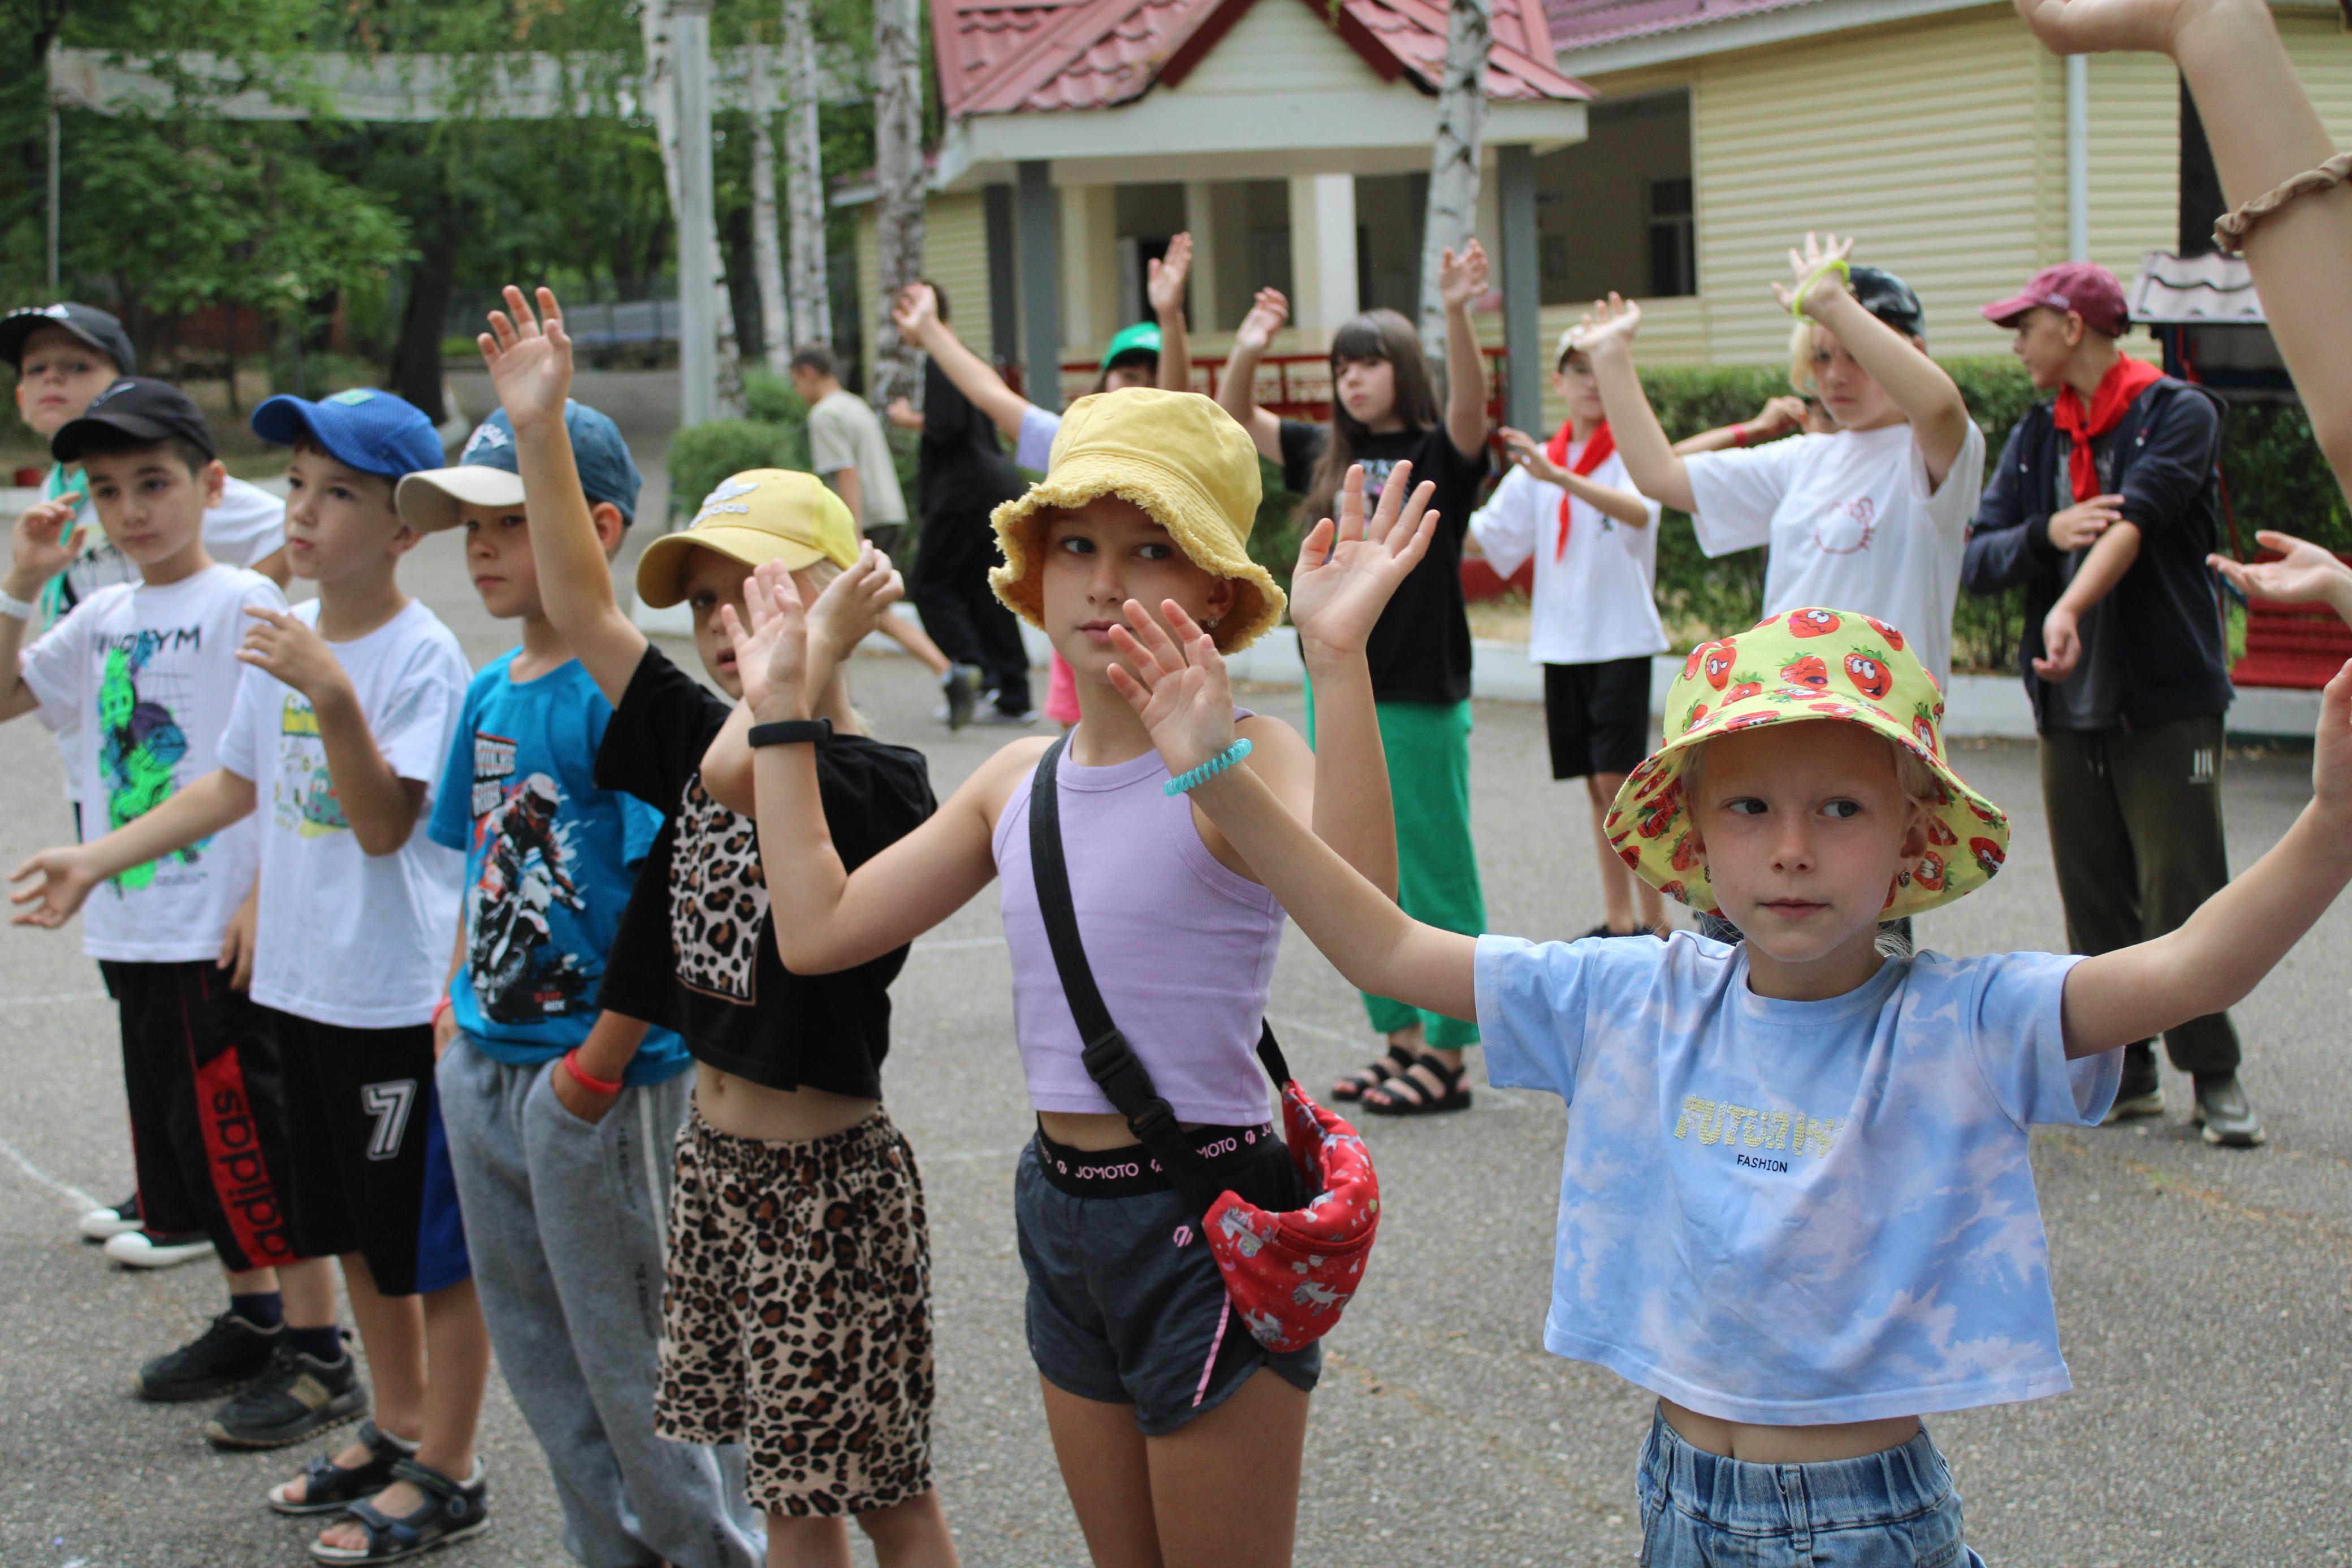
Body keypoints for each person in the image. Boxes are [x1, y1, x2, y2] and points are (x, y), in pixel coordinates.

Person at [1104, 592, 2352, 1567]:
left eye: (1842, 809)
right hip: (1678, 1490)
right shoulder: (1630, 995)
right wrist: (1219, 771)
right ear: (1694, 836)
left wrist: (2331, 825)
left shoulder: (1965, 1020)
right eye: (1750, 806)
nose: (1793, 848)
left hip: (1867, 1515)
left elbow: (2192, 967)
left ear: (1912, 836)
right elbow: (1385, 946)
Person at [740, 385, 1431, 1568]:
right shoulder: (1013, 780)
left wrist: (1338, 658)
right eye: (1076, 546)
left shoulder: (1243, 753)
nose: (1106, 583)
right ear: (1037, 570)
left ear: (1214, 591)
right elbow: (817, 928)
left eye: (1152, 548)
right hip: (1058, 1206)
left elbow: (1369, 913)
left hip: (1202, 1210)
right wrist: (779, 716)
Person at [478, 286, 950, 1567]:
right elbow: (586, 610)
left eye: (759, 593)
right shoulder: (706, 729)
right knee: (787, 1497)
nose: (727, 626)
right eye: (706, 607)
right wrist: (541, 429)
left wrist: (798, 665)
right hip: (719, 1173)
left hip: (823, 1194)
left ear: (840, 599)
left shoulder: (878, 784)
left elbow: (754, 768)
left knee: (884, 1498)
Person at [11, 385, 491, 1562]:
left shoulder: (416, 654)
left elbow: (382, 822)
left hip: (390, 1003)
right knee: (344, 1229)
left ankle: (451, 1464)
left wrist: (329, 692)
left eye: (341, 495)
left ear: (404, 528)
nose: (306, 513)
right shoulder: (287, 629)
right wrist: (95, 855)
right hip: (299, 990)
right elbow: (231, 787)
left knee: (420, 1247)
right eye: (300, 487)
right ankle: (395, 1422)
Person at [394, 399, 765, 1568]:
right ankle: (607, 1543)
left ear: (593, 526)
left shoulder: (619, 694)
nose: (483, 547)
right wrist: (456, 1006)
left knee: (641, 1343)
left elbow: (671, 890)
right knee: (542, 1344)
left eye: (510, 520)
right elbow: (479, 856)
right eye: (470, 527)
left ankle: (713, 1547)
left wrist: (597, 1065)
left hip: (603, 1080)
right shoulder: (490, 689)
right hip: (490, 1060)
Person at [0, 378, 301, 1430]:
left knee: (247, 1135)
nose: (132, 509)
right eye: (108, 489)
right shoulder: (102, 616)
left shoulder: (245, 603)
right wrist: (23, 580)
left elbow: (279, 764)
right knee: (187, 1142)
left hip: (217, 922)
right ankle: (253, 1315)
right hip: (134, 921)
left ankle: (312, 1345)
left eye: (155, 483)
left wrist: (262, 891)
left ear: (212, 486)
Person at [1962, 261, 2261, 1145]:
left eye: (2026, 327)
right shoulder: (2036, 434)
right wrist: (2045, 532)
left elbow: (2138, 519)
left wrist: (2068, 604)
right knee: (2093, 900)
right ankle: (2124, 1072)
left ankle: (2214, 1072)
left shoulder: (2178, 411)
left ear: (2072, 325)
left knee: (2184, 891)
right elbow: (1978, 556)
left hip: (2166, 696)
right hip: (2069, 704)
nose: (2016, 346)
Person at [1217, 248, 1495, 1117]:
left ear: (1402, 369)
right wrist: (1249, 346)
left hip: (1418, 692)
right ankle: (1400, 1039)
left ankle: (1448, 1053)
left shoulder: (1436, 453)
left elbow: (1471, 411)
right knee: (1357, 871)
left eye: (1369, 363)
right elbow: (1234, 418)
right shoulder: (1325, 452)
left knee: (1434, 869)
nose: (1353, 379)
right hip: (1338, 690)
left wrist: (1457, 311)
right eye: (1343, 367)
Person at [1583, 239, 1984, 695]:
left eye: (1855, 354)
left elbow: (1941, 409)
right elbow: (1660, 476)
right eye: (1821, 355)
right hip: (1782, 714)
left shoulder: (1932, 454)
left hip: (1883, 724)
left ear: (1915, 351)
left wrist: (1832, 304)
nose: (1834, 376)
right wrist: (1610, 357)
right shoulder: (1804, 457)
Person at [888, 235, 1198, 728]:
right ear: (1103, 382)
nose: (1139, 384)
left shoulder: (1173, 453)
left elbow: (1175, 405)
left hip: (1152, 650)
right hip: (1082, 650)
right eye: (1126, 374)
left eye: (1150, 374)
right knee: (1077, 751)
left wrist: (1170, 317)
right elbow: (988, 393)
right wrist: (930, 330)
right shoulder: (1072, 443)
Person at [1468, 327, 1667, 945]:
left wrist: (1558, 477)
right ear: (1558, 381)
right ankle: (1619, 920)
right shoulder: (1542, 460)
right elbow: (1485, 537)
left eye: (1598, 369)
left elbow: (1640, 511)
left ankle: (1658, 922)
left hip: (1620, 636)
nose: (1589, 382)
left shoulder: (1626, 451)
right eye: (1577, 370)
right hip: (1563, 640)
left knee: (1620, 782)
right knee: (1594, 785)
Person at [789, 341, 977, 729]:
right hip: (888, 512)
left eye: (796, 382)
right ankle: (944, 675)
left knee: (842, 608)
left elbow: (846, 473)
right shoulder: (854, 405)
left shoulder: (825, 414)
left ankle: (941, 675)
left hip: (860, 520)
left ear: (808, 373)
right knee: (868, 610)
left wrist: (853, 532)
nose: (797, 391)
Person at [880, 281, 1036, 724]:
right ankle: (1013, 694)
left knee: (929, 585)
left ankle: (974, 674)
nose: (901, 329)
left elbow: (946, 425)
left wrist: (909, 419)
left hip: (964, 488)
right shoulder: (966, 357)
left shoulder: (941, 359)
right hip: (992, 482)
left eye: (902, 316)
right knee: (981, 588)